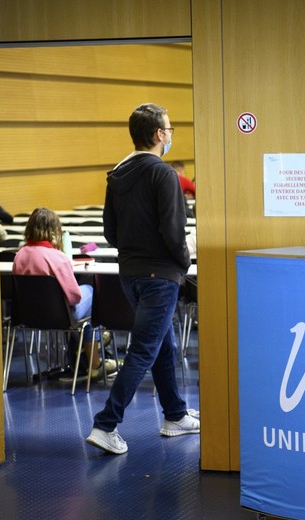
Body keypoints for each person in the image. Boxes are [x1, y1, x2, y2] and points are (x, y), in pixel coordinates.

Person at [86, 103, 199, 455]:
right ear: (158, 135)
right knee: (144, 350)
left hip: (130, 275)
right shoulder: (163, 174)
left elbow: (110, 232)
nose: (170, 135)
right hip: (160, 276)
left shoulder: (117, 174)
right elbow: (173, 230)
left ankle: (175, 416)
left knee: (164, 344)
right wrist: (183, 261)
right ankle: (106, 424)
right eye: (169, 129)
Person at [12, 207, 116, 381]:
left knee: (89, 308)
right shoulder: (57, 257)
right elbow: (74, 297)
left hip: (28, 316)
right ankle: (94, 361)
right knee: (92, 293)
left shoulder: (19, 256)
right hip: (61, 316)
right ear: (54, 231)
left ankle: (87, 349)